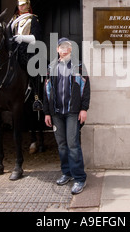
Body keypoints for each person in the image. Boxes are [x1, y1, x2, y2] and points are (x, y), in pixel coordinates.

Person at [43, 37, 90, 195]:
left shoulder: (78, 66)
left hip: (72, 112)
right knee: (62, 144)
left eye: (67, 47)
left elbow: (86, 88)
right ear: (57, 50)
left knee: (72, 144)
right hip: (56, 112)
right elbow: (47, 91)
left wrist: (84, 109)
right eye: (61, 47)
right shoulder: (51, 67)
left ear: (71, 50)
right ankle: (67, 173)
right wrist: (47, 112)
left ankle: (79, 178)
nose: (64, 49)